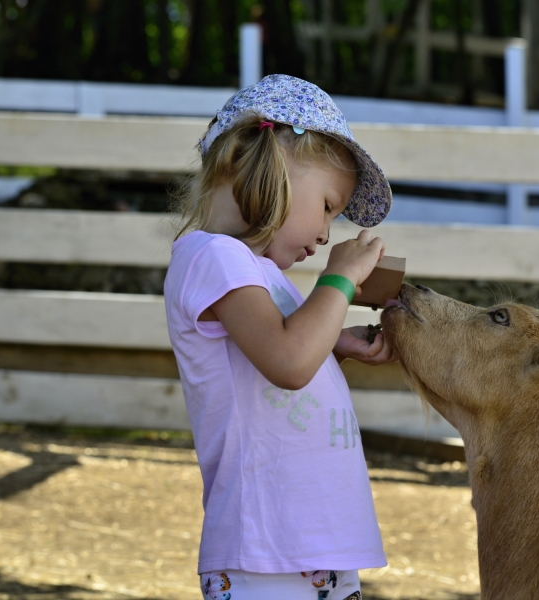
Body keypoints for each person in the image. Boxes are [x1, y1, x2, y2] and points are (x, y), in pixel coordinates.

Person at [164, 74, 396, 600]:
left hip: (312, 544)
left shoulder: (254, 271)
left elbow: (272, 344)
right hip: (264, 551)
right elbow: (289, 362)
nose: (324, 234)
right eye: (329, 206)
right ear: (275, 166)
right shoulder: (212, 255)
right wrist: (339, 279)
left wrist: (335, 340)